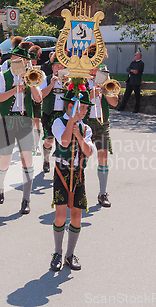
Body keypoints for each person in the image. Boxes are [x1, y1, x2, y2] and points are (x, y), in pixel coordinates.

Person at [50, 83, 94, 271]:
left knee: (76, 217)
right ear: (71, 107)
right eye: (82, 107)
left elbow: (89, 152)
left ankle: (70, 254)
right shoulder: (59, 122)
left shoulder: (86, 128)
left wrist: (80, 136)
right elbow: (65, 141)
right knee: (60, 216)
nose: (84, 111)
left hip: (78, 174)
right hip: (62, 171)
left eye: (86, 108)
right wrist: (71, 124)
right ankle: (57, 252)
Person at [0, 40, 42, 214]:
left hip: (25, 120)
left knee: (26, 159)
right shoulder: (2, 75)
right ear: (12, 58)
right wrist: (15, 90)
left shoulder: (31, 75)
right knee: (5, 160)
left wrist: (31, 83)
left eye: (24, 59)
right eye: (17, 58)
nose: (20, 62)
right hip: (7, 120)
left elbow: (38, 99)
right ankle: (0, 185)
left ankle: (26, 199)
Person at [85, 43, 118, 208]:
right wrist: (90, 94)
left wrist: (106, 90)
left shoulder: (105, 75)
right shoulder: (80, 75)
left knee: (103, 156)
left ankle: (102, 193)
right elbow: (73, 101)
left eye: (100, 62)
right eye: (94, 63)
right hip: (84, 121)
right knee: (81, 159)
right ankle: (78, 193)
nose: (96, 67)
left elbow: (114, 103)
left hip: (102, 121)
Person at [40, 52, 67, 173]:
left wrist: (69, 85)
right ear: (52, 67)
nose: (59, 68)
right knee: (49, 140)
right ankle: (46, 159)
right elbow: (41, 95)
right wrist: (51, 84)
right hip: (49, 113)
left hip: (63, 114)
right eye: (57, 66)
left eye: (62, 66)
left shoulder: (69, 80)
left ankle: (60, 163)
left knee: (62, 140)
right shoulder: (46, 79)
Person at [29, 45, 46, 156]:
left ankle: (36, 146)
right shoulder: (24, 71)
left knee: (36, 122)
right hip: (26, 98)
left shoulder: (41, 73)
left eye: (35, 61)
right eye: (32, 61)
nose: (33, 63)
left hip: (36, 99)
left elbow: (42, 88)